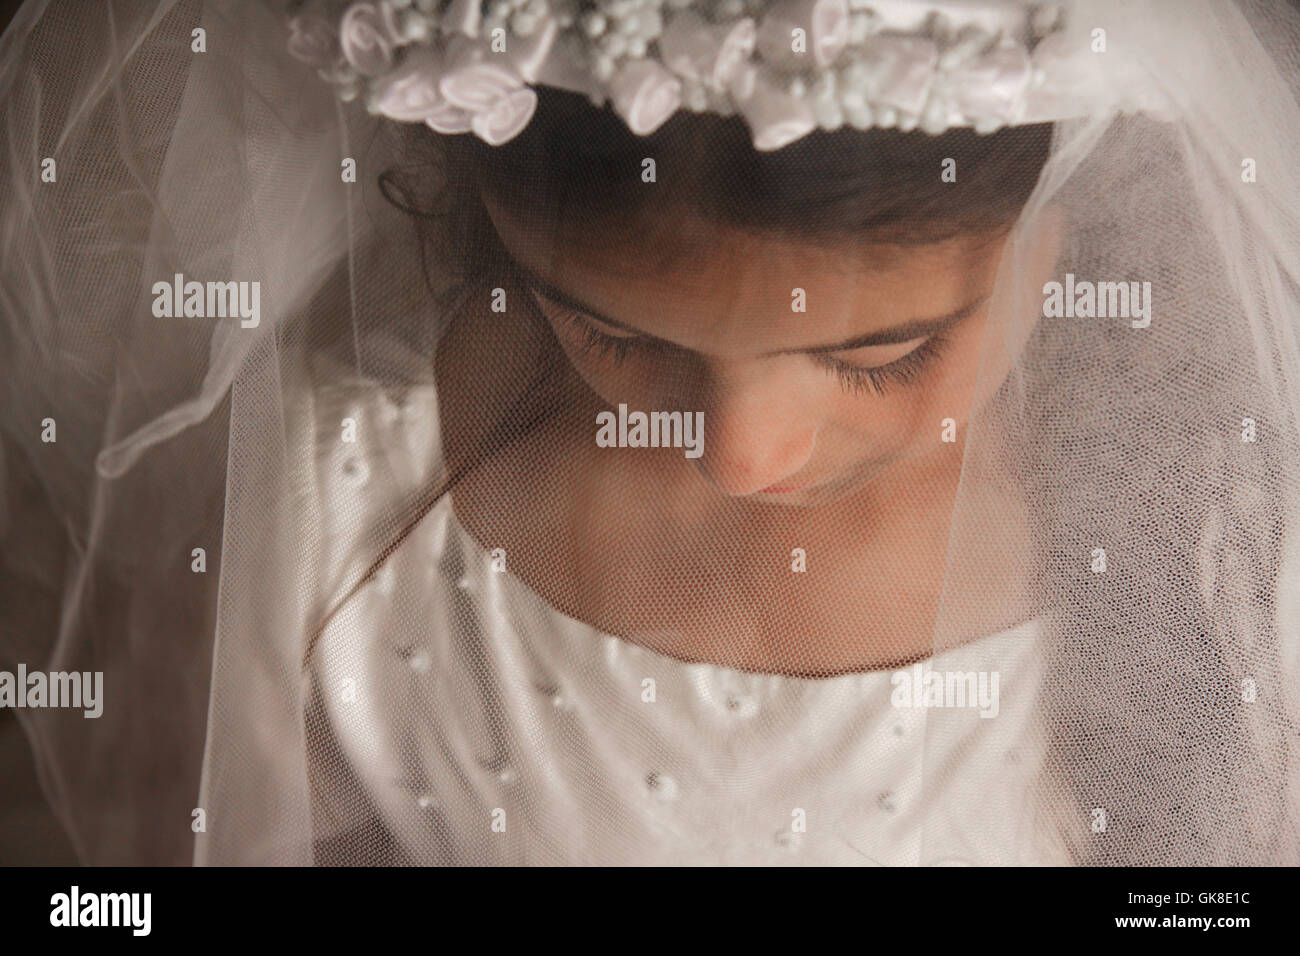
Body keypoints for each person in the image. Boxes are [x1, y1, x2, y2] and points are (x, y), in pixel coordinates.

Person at [1, 0, 1298, 866]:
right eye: (610, 331)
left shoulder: (1196, 538)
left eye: (880, 353)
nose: (744, 454)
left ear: (1061, 222)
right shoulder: (341, 527)